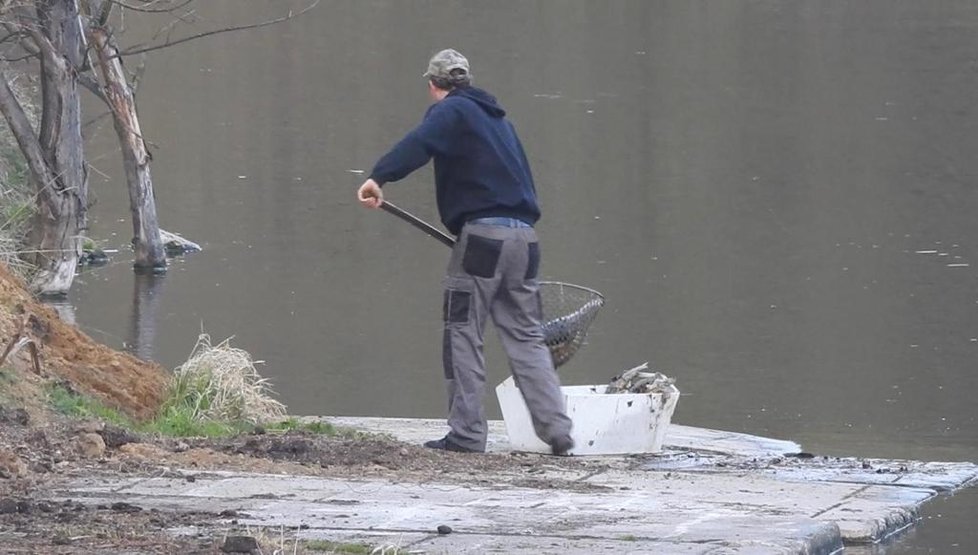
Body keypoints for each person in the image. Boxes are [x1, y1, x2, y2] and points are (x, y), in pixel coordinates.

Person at [357, 49, 574, 456]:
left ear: (433, 85)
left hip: (483, 241)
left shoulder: (451, 111)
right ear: (467, 80)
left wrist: (378, 177)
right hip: (525, 240)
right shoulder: (500, 121)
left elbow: (419, 144)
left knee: (463, 333)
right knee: (527, 337)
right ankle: (558, 432)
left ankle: (467, 434)